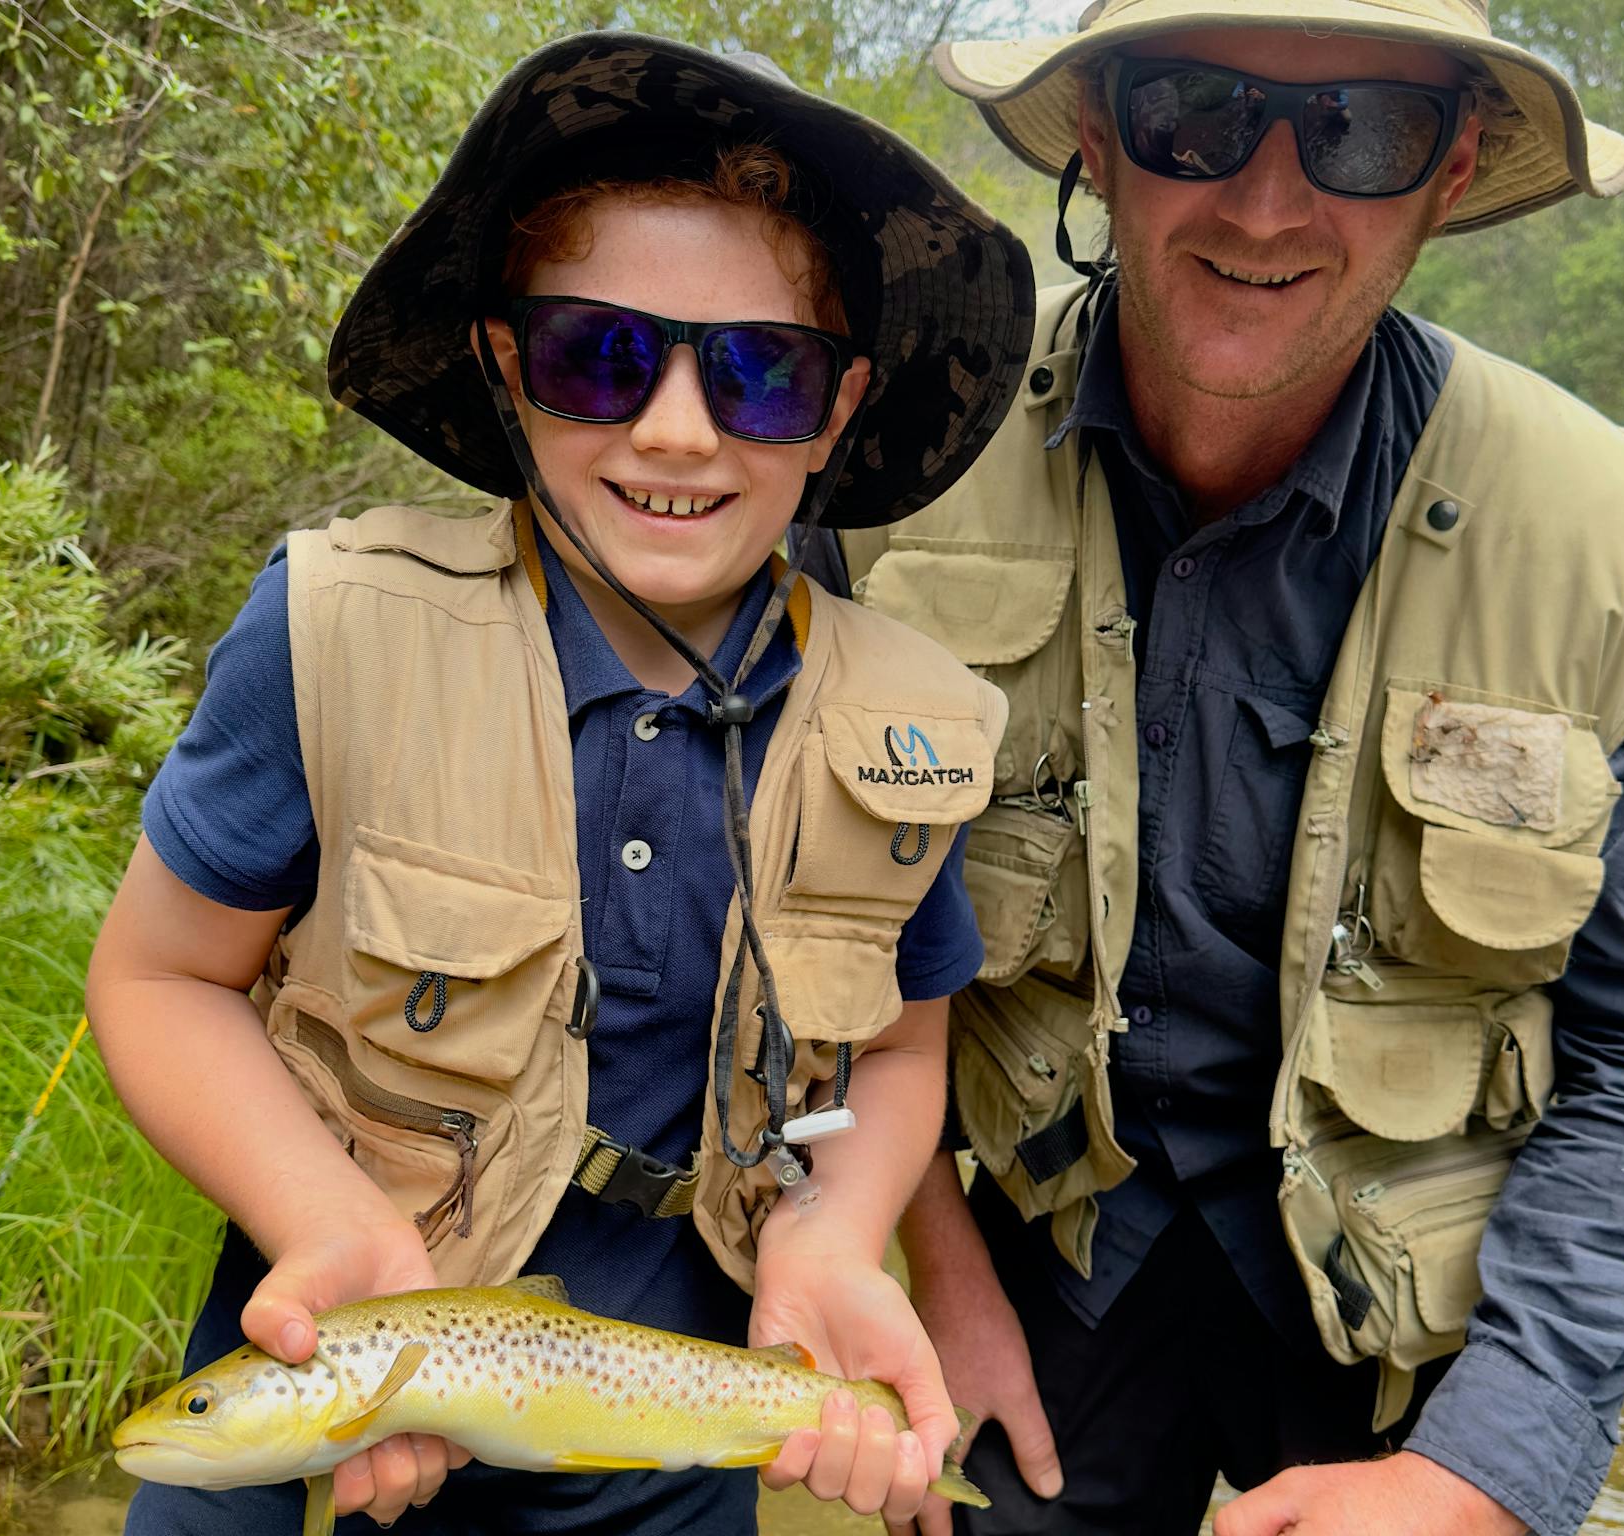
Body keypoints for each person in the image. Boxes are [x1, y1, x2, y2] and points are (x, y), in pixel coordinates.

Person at [839, 3, 1624, 1534]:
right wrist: (928, 1257)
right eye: (1196, 115)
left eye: (1362, 130)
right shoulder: (892, 459)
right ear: (1098, 134)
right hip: (1035, 1258)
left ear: (1450, 168)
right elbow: (768, 931)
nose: (1269, 202)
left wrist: (1486, 1467)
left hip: (1428, 1340)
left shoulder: (1614, 554)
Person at [87, 31, 1034, 1534]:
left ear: (841, 408)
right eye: (602, 353)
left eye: (759, 376)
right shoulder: (334, 632)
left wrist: (836, 1236)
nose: (674, 429)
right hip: (306, 1399)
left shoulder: (910, 726)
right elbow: (158, 983)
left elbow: (895, 1065)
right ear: (507, 365)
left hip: (665, 1461)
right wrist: (331, 1228)